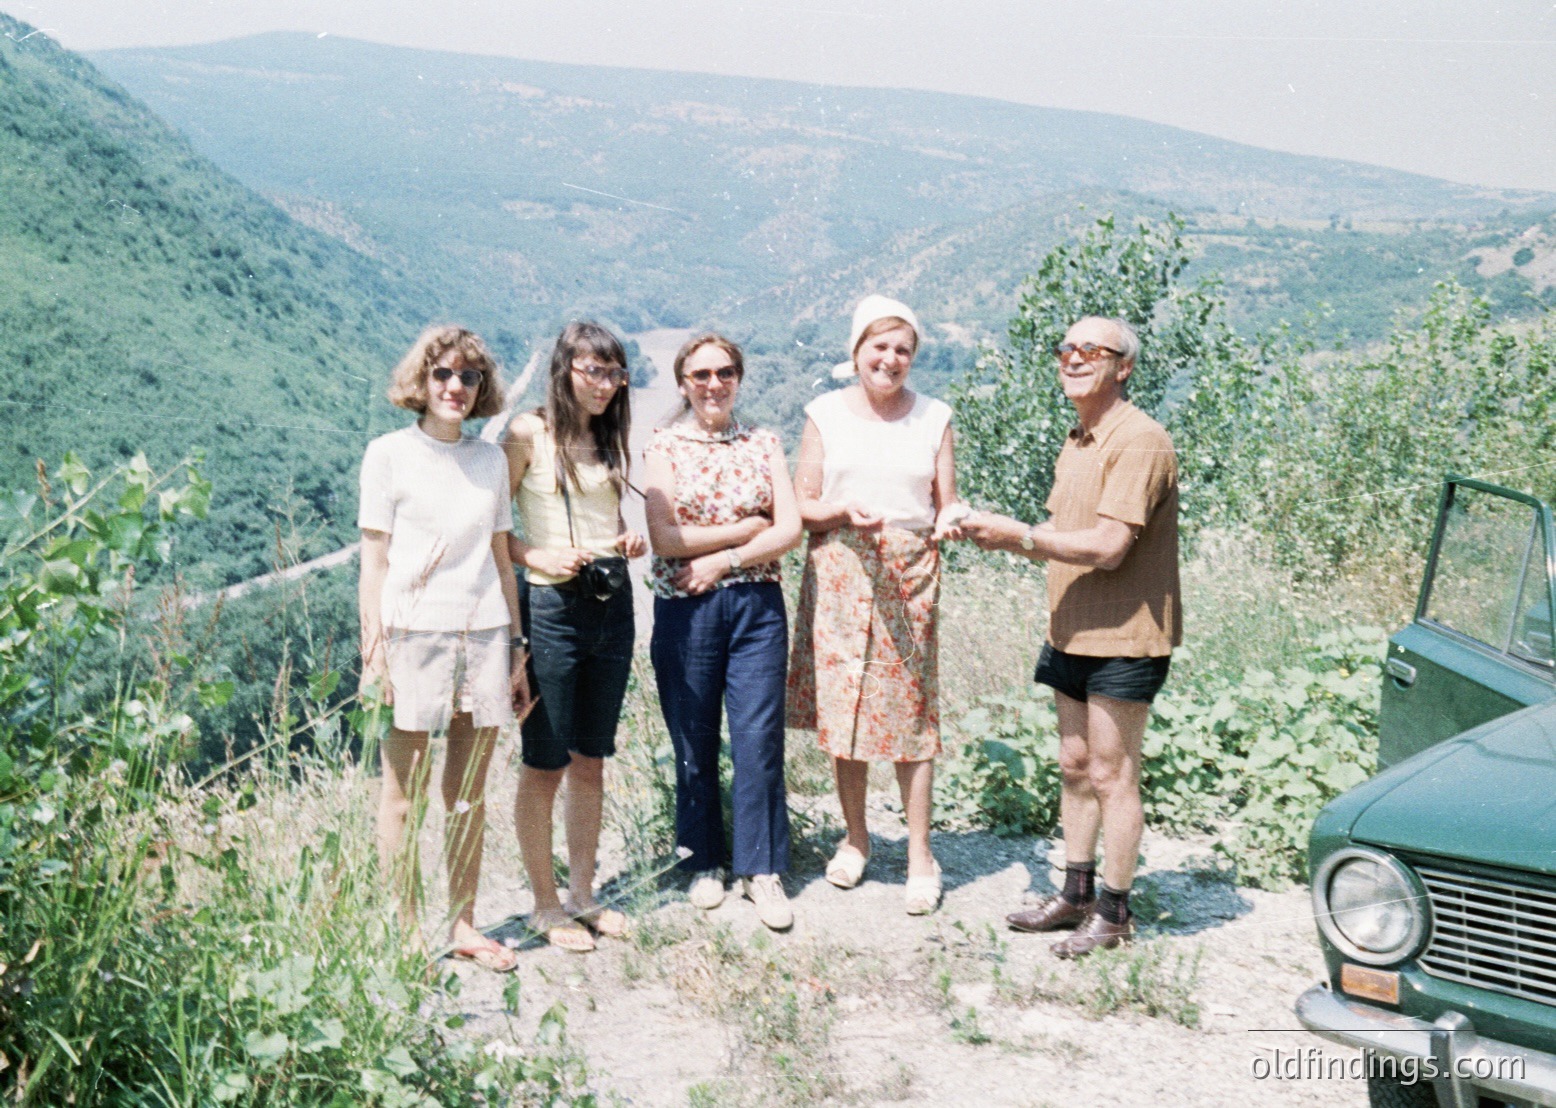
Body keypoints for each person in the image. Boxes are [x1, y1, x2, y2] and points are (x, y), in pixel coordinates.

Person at [962, 316, 1180, 959]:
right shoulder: (1080, 437)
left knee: (1113, 774)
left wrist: (1017, 536)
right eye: (1066, 349)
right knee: (1075, 766)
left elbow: (1111, 547)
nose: (1075, 358)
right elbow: (1071, 530)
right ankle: (1076, 893)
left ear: (1124, 367)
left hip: (1125, 636)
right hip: (1071, 631)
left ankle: (1114, 911)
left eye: (1093, 350)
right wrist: (1007, 533)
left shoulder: (1139, 439)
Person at [788, 294, 967, 916]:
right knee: (848, 711)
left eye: (902, 349)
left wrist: (951, 522)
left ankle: (920, 854)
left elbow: (948, 502)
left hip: (909, 572)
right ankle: (856, 838)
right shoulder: (824, 414)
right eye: (879, 347)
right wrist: (840, 511)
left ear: (912, 357)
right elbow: (801, 505)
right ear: (857, 351)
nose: (889, 360)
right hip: (840, 568)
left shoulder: (935, 416)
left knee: (910, 716)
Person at [358, 324, 527, 974]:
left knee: (467, 794)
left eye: (469, 377)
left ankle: (463, 923)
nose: (456, 387)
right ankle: (403, 934)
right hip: (411, 637)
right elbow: (373, 563)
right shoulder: (387, 455)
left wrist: (515, 647)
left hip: (481, 634)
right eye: (443, 375)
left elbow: (501, 559)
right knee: (402, 796)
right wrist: (374, 655)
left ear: (483, 388)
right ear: (421, 382)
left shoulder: (488, 460)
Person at [643, 334, 803, 931]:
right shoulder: (664, 446)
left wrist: (722, 560)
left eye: (726, 372)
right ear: (684, 383)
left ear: (739, 377)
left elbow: (788, 529)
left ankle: (761, 870)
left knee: (758, 738)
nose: (715, 384)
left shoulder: (763, 442)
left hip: (756, 606)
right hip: (686, 609)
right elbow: (664, 538)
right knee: (693, 733)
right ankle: (703, 858)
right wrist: (743, 528)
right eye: (701, 374)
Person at [501, 321, 646, 953]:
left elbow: (606, 518)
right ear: (565, 370)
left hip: (609, 605)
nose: (605, 386)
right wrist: (540, 555)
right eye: (593, 371)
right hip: (550, 607)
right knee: (545, 760)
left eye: (614, 373)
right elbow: (491, 530)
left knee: (591, 756)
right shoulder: (528, 434)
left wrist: (625, 541)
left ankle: (584, 895)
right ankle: (543, 904)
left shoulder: (608, 438)